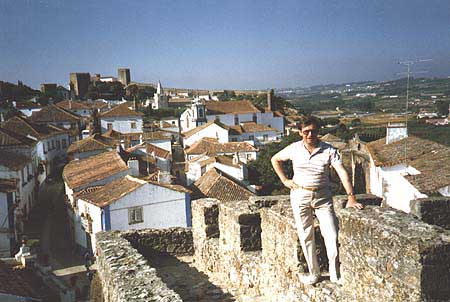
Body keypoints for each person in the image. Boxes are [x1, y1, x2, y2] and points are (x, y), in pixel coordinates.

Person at [271, 116, 363, 285]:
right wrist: (285, 181)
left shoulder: (329, 150)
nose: (310, 134)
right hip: (300, 195)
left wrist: (351, 196)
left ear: (318, 131)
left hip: (322, 197)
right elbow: (275, 159)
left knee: (331, 233)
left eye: (313, 130)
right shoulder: (294, 149)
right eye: (306, 131)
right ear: (300, 133)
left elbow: (342, 172)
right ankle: (314, 274)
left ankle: (335, 274)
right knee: (305, 235)